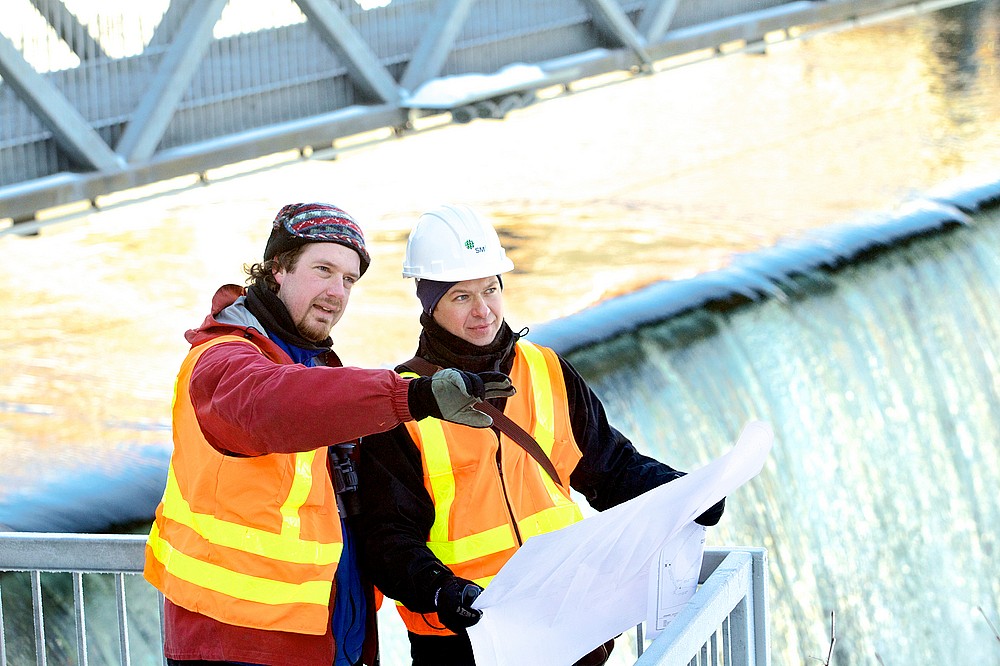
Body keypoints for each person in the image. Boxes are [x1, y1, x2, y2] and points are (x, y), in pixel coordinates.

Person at [142, 202, 515, 666]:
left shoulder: (314, 364)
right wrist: (409, 397)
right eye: (323, 269)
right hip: (244, 643)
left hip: (332, 640)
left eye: (349, 280)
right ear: (277, 269)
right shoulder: (221, 361)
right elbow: (273, 406)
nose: (336, 292)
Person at [354, 203, 726, 666]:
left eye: (490, 289)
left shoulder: (546, 370)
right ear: (429, 306)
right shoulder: (406, 404)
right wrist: (440, 591)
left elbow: (610, 469)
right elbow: (386, 538)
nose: (482, 311)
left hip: (566, 619)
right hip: (465, 638)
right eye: (460, 297)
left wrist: (684, 494)